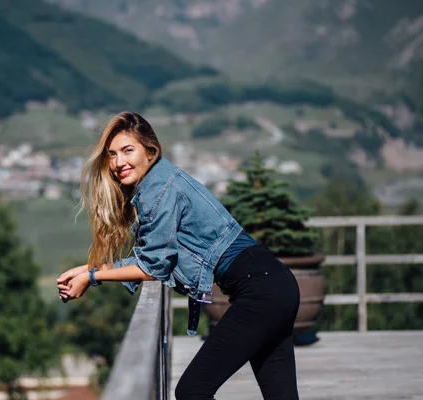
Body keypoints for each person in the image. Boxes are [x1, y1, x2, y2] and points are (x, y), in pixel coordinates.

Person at [57, 111, 300, 400]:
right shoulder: (163, 180)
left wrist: (93, 276)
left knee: (192, 390)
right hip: (276, 282)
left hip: (259, 290)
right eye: (111, 155)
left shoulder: (157, 189)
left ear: (150, 150)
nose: (118, 162)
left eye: (127, 150)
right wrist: (87, 269)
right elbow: (152, 257)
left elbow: (153, 267)